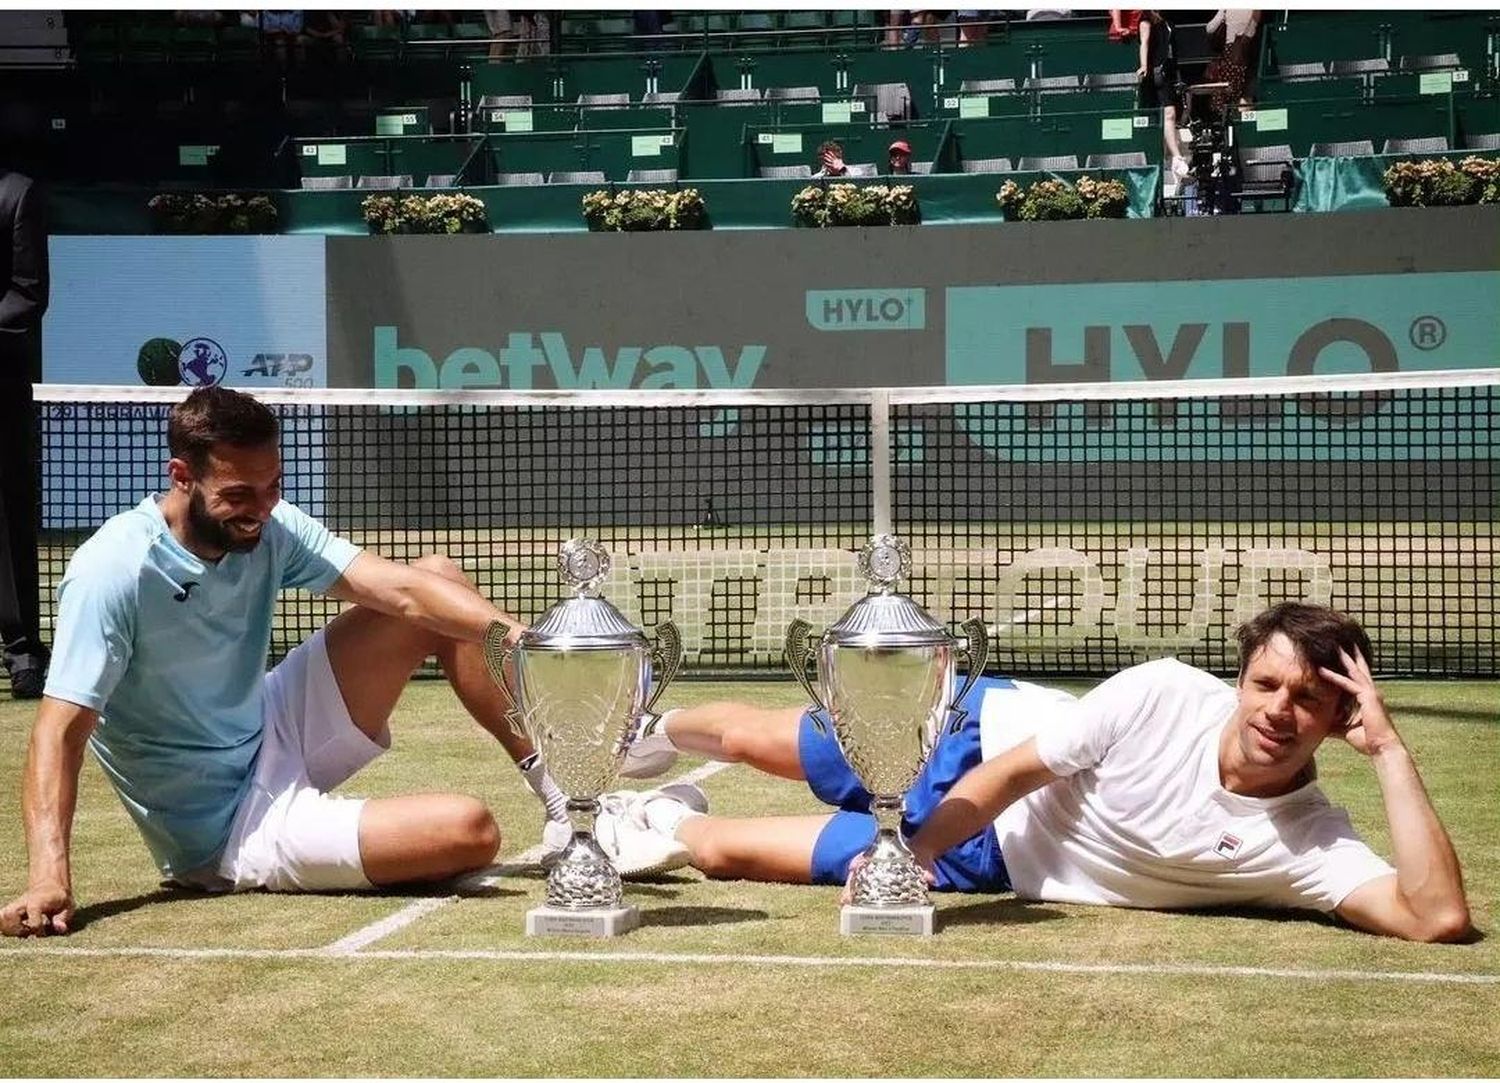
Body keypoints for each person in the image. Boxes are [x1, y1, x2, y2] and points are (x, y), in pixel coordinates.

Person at [0, 386, 612, 939]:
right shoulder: (111, 573)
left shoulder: (270, 524)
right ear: (181, 475)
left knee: (436, 580)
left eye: (273, 489)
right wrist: (49, 876)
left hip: (272, 721)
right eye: (238, 494)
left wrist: (532, 638)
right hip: (227, 828)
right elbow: (59, 732)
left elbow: (403, 593)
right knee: (469, 829)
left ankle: (567, 808)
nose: (260, 510)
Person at [599, 603, 1472, 942]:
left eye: (1308, 699)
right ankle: (654, 731)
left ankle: (658, 816)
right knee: (759, 738)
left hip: (1003, 861)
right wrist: (920, 847)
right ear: (1239, 680)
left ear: (1339, 719)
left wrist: (1393, 752)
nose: (1279, 710)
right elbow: (1015, 773)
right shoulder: (1164, 692)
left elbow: (1435, 916)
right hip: (981, 741)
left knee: (722, 855)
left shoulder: (1312, 846)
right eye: (1265, 683)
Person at [0, 167, 50, 700]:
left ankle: (21, 651)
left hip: (1, 385)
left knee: (9, 518)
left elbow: (27, 293)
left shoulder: (17, 193)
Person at [1137, 10, 1189, 179]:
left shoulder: (1167, 20)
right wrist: (1144, 65)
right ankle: (1176, 156)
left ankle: (1173, 155)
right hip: (1157, 71)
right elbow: (1144, 42)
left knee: (1171, 114)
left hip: (1169, 71)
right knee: (1168, 113)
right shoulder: (1146, 19)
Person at [1206, 8, 1263, 113]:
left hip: (1232, 50)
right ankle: (1243, 117)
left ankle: (1228, 118)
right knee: (1246, 90)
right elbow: (1255, 19)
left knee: (1228, 90)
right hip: (1249, 46)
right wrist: (1246, 38)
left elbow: (1210, 28)